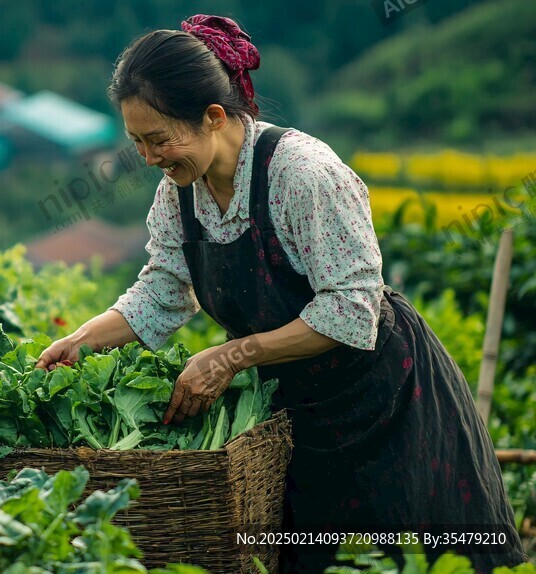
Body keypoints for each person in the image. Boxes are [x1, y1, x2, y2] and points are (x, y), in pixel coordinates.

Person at [35, 14, 528, 574]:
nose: (148, 158)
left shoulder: (302, 174)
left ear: (214, 117)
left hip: (383, 404)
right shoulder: (180, 192)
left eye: (158, 140)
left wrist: (232, 355)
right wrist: (82, 339)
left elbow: (351, 308)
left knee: (407, 557)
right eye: (135, 143)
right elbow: (164, 289)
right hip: (294, 415)